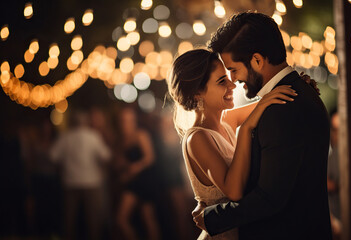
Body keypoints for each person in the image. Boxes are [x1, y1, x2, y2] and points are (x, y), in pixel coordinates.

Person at [191, 12, 332, 240]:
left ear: (257, 60)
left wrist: (212, 217)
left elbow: (269, 198)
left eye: (234, 70)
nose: (233, 80)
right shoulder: (288, 95)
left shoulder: (283, 108)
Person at [167, 48, 298, 239]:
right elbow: (234, 191)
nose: (232, 85)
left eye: (228, 77)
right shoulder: (197, 138)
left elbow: (273, 101)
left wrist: (298, 88)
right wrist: (245, 129)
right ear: (197, 93)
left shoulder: (227, 120)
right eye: (222, 81)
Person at [50, 110, 111, 240]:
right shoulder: (93, 136)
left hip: (70, 182)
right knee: (93, 220)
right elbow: (106, 156)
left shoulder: (66, 137)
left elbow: (52, 157)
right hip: (92, 183)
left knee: (69, 220)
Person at [114, 107, 160, 240]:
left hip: (144, 181)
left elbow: (150, 157)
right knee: (122, 220)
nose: (126, 122)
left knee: (148, 220)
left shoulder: (140, 134)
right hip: (131, 182)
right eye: (123, 120)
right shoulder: (121, 139)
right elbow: (119, 162)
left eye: (129, 119)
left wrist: (135, 167)